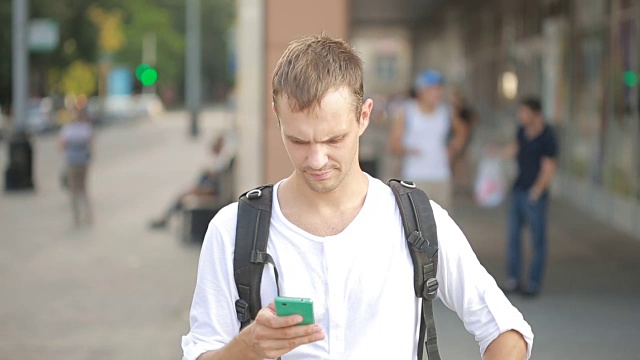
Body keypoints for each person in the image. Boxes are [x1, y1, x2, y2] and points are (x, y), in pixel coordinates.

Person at [181, 34, 533, 360]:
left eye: (334, 139)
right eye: (299, 141)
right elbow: (202, 350)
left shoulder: (418, 220)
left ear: (364, 116)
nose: (316, 160)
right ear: (277, 117)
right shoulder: (233, 229)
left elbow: (507, 331)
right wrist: (246, 346)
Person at [501, 97, 558, 297]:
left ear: (536, 114)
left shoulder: (547, 137)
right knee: (513, 237)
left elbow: (549, 167)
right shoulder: (522, 131)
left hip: (534, 195)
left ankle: (533, 283)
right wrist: (497, 153)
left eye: (524, 112)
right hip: (518, 190)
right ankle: (513, 279)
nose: (521, 116)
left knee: (537, 240)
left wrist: (537, 191)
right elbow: (514, 149)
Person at [389, 69, 465, 210]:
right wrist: (408, 151)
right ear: (421, 91)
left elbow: (462, 131)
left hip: (441, 176)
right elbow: (394, 145)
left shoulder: (445, 111)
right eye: (433, 89)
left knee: (441, 224)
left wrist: (453, 149)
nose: (438, 93)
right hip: (415, 177)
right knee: (415, 222)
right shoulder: (407, 111)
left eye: (439, 89)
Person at [150, 134, 234, 229]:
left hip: (211, 191)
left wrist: (205, 178)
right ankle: (166, 219)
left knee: (183, 196)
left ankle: (166, 219)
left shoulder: (222, 163)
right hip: (209, 188)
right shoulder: (220, 161)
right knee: (183, 195)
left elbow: (215, 185)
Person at [58, 109, 94, 227]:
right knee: (83, 188)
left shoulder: (68, 129)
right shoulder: (86, 128)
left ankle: (76, 216)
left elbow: (62, 144)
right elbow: (91, 143)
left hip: (72, 161)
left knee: (73, 190)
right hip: (83, 161)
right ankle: (87, 213)